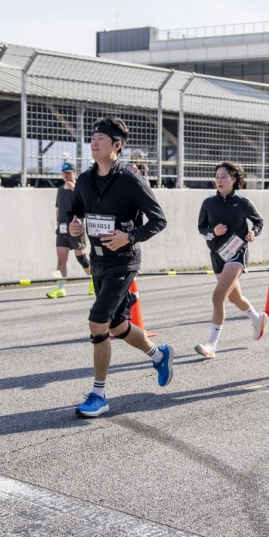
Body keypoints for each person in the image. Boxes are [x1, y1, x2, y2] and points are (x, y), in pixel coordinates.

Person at [67, 116, 173, 417]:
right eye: (92, 137)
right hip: (99, 262)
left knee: (97, 324)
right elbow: (73, 213)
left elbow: (158, 219)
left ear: (117, 145)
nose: (94, 141)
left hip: (124, 262)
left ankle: (98, 395)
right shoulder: (85, 181)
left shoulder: (129, 180)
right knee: (116, 325)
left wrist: (130, 236)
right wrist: (74, 227)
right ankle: (158, 355)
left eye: (101, 138)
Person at [194, 161, 267, 358]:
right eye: (217, 177)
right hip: (218, 256)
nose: (219, 180)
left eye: (223, 176)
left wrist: (253, 233)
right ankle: (257, 318)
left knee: (218, 297)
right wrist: (212, 231)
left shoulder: (243, 203)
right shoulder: (208, 203)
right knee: (234, 297)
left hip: (237, 253)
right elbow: (201, 228)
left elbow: (259, 222)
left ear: (233, 180)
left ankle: (212, 344)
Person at [48, 162, 94, 299]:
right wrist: (57, 226)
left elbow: (87, 203)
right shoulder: (60, 189)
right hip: (62, 230)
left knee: (82, 259)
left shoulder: (80, 187)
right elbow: (58, 209)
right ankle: (60, 288)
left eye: (69, 172)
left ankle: (94, 281)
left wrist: (74, 188)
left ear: (75, 173)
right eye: (64, 173)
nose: (66, 175)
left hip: (76, 227)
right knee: (61, 261)